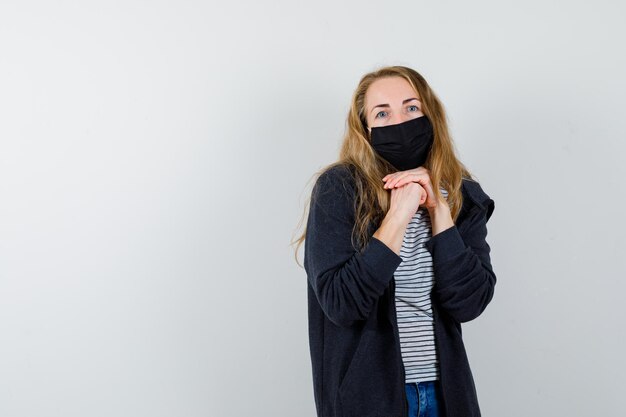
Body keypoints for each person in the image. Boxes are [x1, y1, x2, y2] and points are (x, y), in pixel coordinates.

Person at [292, 65, 497, 417]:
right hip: (367, 398)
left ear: (431, 115)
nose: (399, 121)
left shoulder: (463, 196)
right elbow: (340, 303)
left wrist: (440, 213)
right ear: (365, 128)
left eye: (411, 108)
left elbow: (470, 302)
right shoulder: (338, 190)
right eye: (382, 113)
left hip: (445, 394)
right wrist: (398, 215)